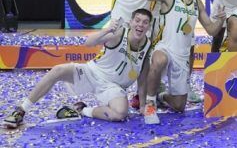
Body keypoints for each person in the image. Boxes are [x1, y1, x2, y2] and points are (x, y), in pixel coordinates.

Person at [3, 10, 152, 128]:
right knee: (57, 70)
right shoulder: (119, 34)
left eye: (145, 22)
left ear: (149, 26)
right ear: (131, 22)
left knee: (119, 114)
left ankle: (82, 110)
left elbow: (143, 76)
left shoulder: (147, 46)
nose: (140, 25)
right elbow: (88, 43)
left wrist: (143, 104)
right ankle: (21, 110)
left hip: (113, 87)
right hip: (92, 72)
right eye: (137, 21)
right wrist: (106, 31)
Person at [132, 0, 226, 125]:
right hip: (164, 47)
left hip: (182, 57)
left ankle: (161, 96)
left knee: (179, 106)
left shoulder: (198, 4)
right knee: (159, 60)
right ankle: (150, 104)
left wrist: (220, 19)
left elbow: (211, 30)